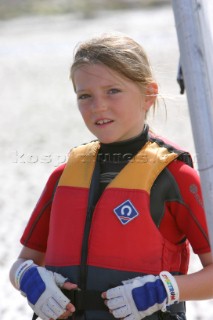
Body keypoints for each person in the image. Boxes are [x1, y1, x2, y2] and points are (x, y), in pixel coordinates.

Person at [9, 32, 213, 320]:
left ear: (149, 95)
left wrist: (165, 289)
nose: (98, 106)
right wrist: (28, 278)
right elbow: (22, 264)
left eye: (113, 91)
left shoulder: (177, 177)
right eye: (85, 96)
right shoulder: (63, 175)